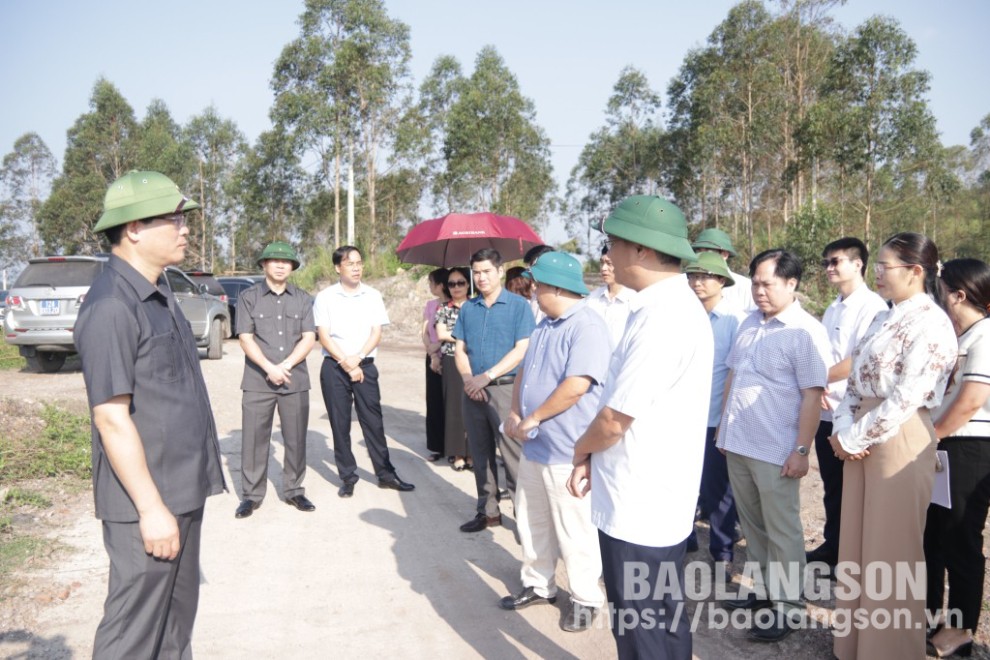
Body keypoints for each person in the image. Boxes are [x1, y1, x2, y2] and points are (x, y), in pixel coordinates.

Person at [75, 170, 225, 657]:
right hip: (150, 501)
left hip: (181, 490)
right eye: (174, 219)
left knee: (175, 628)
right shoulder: (112, 307)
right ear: (134, 228)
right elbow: (111, 418)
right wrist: (151, 509)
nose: (186, 229)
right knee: (133, 635)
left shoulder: (158, 294)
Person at [567, 195, 713, 659]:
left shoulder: (661, 317)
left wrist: (581, 450)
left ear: (643, 251)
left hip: (639, 502)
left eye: (614, 242)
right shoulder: (672, 307)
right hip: (658, 497)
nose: (607, 253)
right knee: (663, 621)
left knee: (640, 629)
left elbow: (612, 420)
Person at [829, 232, 957, 660]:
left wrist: (852, 436)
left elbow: (906, 397)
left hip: (898, 438)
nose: (878, 273)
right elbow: (854, 384)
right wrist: (844, 426)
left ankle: (889, 651)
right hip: (862, 435)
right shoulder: (883, 317)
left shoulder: (933, 322)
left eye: (885, 266)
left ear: (916, 271)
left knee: (892, 552)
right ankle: (855, 646)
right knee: (857, 547)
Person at [717, 249, 831, 642]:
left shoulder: (805, 331)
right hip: (739, 443)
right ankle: (764, 594)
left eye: (767, 283)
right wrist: (723, 430)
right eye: (754, 283)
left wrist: (801, 451)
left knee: (782, 530)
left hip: (777, 449)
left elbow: (813, 395)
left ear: (791, 283)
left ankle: (788, 607)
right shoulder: (748, 322)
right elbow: (734, 375)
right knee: (753, 526)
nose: (758, 291)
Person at [499, 252, 609, 632]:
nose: (532, 292)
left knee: (574, 528)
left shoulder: (587, 326)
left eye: (537, 286)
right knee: (532, 520)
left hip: (567, 449)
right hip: (536, 446)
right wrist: (516, 411)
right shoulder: (545, 324)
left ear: (558, 288)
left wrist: (534, 417)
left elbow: (577, 385)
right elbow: (524, 373)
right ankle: (538, 582)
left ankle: (584, 597)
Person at [807, 238, 886, 566]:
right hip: (826, 408)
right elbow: (826, 354)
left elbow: (860, 359)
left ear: (858, 264)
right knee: (832, 487)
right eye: (826, 262)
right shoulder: (834, 306)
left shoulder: (873, 307)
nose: (829, 268)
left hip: (852, 413)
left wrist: (819, 379)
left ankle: (851, 556)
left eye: (835, 261)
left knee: (853, 491)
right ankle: (834, 548)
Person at [925, 258, 990, 659]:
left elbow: (969, 402)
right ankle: (930, 618)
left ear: (958, 295)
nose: (939, 299)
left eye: (942, 291)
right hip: (948, 445)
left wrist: (930, 437)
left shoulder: (985, 337)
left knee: (961, 539)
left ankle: (961, 630)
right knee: (935, 535)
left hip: (970, 447)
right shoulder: (965, 336)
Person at [314, 245, 415, 498]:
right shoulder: (325, 297)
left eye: (359, 263)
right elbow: (323, 336)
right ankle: (348, 476)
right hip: (335, 367)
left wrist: (357, 359)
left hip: (365, 365)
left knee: (373, 422)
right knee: (340, 423)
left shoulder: (372, 295)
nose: (357, 268)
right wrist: (346, 363)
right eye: (350, 264)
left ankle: (386, 474)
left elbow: (376, 332)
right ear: (338, 268)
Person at [453, 248, 535, 532]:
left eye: (487, 271)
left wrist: (486, 377)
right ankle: (487, 511)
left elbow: (521, 349)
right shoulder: (468, 308)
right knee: (480, 451)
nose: (481, 277)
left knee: (513, 456)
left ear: (500, 271)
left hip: (505, 389)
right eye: (476, 272)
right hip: (473, 391)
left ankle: (525, 520)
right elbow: (459, 349)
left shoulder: (518, 306)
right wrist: (468, 380)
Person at [234, 241, 316, 519]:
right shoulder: (248, 297)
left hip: (295, 379)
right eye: (274, 260)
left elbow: (309, 337)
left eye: (286, 261)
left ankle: (294, 490)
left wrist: (286, 365)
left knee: (295, 438)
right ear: (264, 265)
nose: (281, 265)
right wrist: (269, 367)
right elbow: (245, 337)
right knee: (254, 439)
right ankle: (251, 495)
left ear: (292, 267)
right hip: (258, 379)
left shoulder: (303, 299)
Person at [682, 252, 744, 563]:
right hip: (684, 417)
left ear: (721, 280)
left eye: (705, 276)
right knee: (683, 484)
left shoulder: (735, 321)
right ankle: (684, 540)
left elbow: (738, 373)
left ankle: (722, 555)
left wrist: (726, 421)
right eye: (692, 276)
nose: (697, 282)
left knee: (718, 493)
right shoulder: (683, 316)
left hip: (715, 418)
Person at [435, 267, 473, 471]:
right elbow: (441, 334)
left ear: (468, 284)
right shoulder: (443, 308)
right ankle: (458, 452)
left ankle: (473, 453)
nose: (456, 287)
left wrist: (456, 334)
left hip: (475, 361)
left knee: (475, 406)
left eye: (460, 283)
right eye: (451, 284)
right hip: (451, 359)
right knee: (454, 407)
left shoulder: (477, 306)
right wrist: (465, 337)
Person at [691, 227, 757, 312]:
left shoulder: (745, 288)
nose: (702, 256)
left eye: (707, 251)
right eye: (698, 251)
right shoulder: (687, 284)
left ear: (725, 254)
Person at [585, 242, 633, 351]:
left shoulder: (634, 300)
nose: (603, 268)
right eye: (602, 263)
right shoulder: (592, 299)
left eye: (609, 263)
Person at [422, 268, 449, 463]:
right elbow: (424, 331)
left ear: (440, 285)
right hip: (432, 357)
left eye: (432, 283)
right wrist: (432, 353)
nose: (430, 287)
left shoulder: (455, 305)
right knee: (434, 403)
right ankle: (436, 446)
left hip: (449, 357)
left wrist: (438, 349)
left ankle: (453, 446)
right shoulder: (431, 305)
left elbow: (454, 332)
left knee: (451, 404)